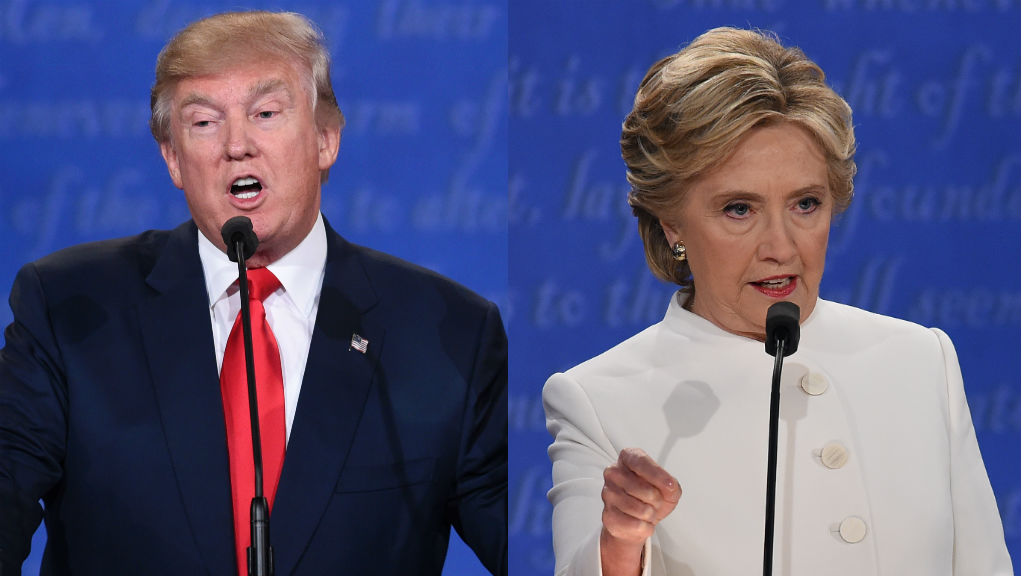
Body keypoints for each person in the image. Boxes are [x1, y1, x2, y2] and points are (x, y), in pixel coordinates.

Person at [0, 11, 506, 576]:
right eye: (204, 122)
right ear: (172, 158)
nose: (237, 145)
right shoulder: (69, 307)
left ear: (325, 139)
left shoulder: (448, 333)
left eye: (266, 113)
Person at [542, 27, 1011, 576]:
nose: (782, 247)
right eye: (739, 209)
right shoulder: (597, 401)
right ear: (672, 224)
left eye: (806, 203)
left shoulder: (921, 360)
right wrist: (621, 547)